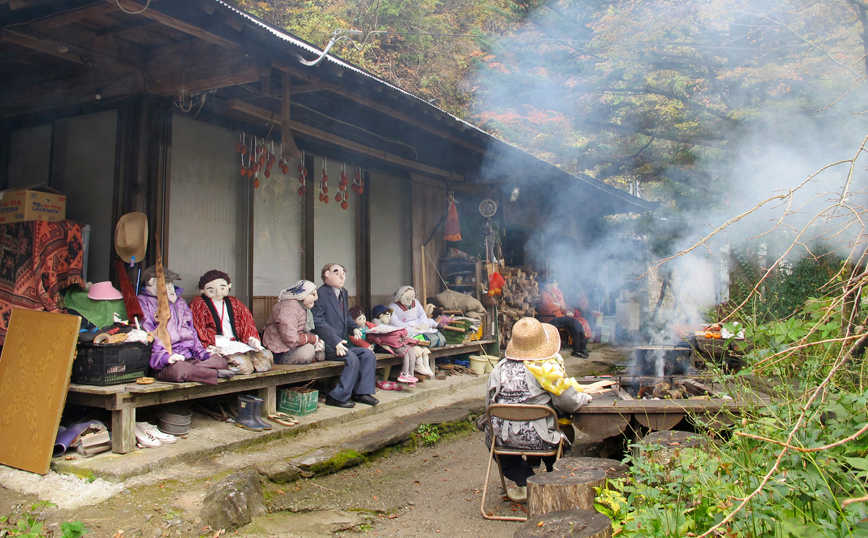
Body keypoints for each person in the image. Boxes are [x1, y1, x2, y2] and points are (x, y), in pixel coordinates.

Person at [485, 317, 592, 502]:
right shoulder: (546, 367)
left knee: (494, 441)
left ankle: (526, 482)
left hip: (502, 440)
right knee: (562, 424)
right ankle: (552, 478)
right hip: (542, 439)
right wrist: (585, 396)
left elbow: (489, 406)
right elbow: (570, 402)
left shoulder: (499, 368)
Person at [137, 266, 233, 385]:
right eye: (166, 282)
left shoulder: (180, 302)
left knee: (221, 362)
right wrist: (166, 357)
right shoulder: (143, 303)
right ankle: (212, 374)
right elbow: (148, 337)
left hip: (188, 357)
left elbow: (192, 332)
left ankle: (198, 372)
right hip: (165, 363)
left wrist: (205, 354)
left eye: (171, 282)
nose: (170, 287)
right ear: (151, 282)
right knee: (179, 370)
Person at [311, 263, 378, 408]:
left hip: (342, 343)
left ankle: (362, 392)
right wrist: (334, 341)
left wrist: (353, 327)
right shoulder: (320, 294)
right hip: (327, 345)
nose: (342, 276)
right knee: (352, 358)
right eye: (336, 272)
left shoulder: (343, 293)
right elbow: (318, 321)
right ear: (326, 275)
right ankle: (337, 396)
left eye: (344, 273)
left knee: (368, 355)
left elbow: (346, 315)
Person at [190, 269, 273, 373]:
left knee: (266, 358)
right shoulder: (199, 304)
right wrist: (208, 346)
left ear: (229, 286)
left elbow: (246, 323)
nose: (217, 292)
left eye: (222, 288)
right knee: (242, 365)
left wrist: (251, 339)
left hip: (237, 343)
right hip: (217, 346)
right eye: (211, 290)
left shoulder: (235, 303)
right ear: (202, 290)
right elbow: (198, 328)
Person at [261, 280, 325, 365]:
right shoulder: (289, 307)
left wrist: (317, 341)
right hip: (280, 350)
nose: (316, 298)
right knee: (308, 351)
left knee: (321, 351)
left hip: (295, 344)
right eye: (313, 295)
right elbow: (290, 338)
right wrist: (312, 340)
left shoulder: (303, 307)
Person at [538, 279, 589, 358]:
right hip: (550, 318)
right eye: (550, 284)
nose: (552, 286)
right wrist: (557, 306)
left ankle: (581, 348)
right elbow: (547, 306)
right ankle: (576, 350)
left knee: (577, 324)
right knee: (573, 325)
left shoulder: (553, 293)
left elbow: (562, 305)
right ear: (546, 285)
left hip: (559, 316)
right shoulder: (543, 293)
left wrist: (558, 304)